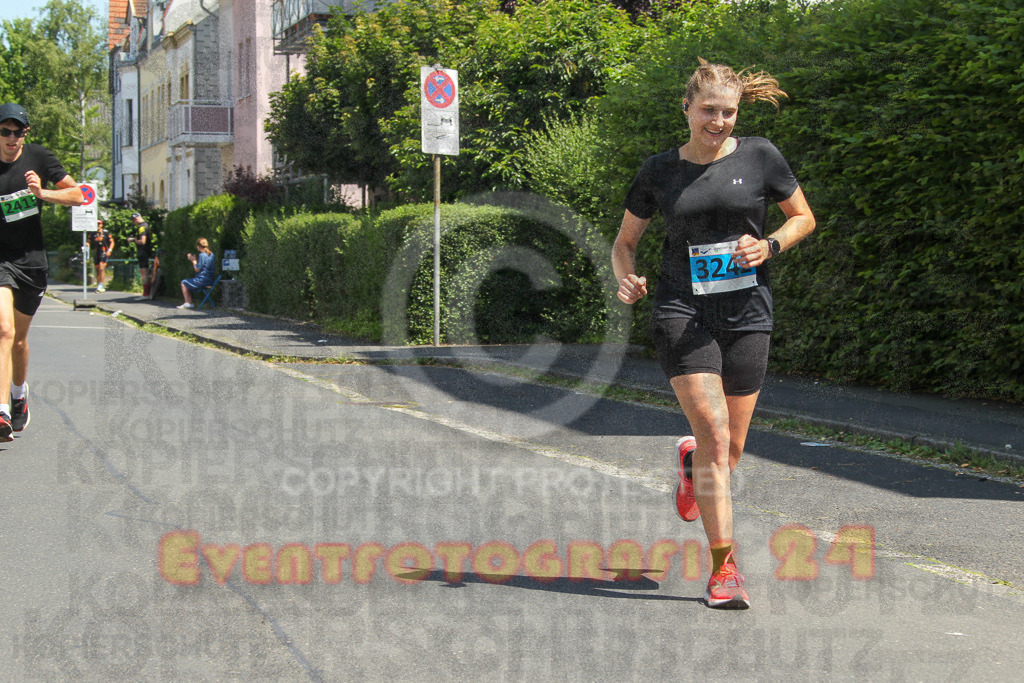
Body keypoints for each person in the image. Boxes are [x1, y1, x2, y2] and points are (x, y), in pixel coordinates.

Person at [612, 60, 816, 609]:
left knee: (728, 450)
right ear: (687, 108)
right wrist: (626, 277)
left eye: (728, 112)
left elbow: (803, 217)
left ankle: (691, 464)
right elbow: (625, 242)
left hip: (748, 311)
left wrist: (770, 245)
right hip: (682, 310)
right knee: (714, 433)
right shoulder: (659, 171)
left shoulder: (761, 156)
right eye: (709, 111)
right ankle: (725, 571)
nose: (719, 121)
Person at [0, 103, 85, 439]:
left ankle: (19, 395)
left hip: (31, 262)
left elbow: (79, 195)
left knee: (19, 341)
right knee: (3, 330)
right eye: (4, 131)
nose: (11, 138)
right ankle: (2, 411)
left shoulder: (38, 158)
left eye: (17, 131)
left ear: (26, 133)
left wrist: (42, 193)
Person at [177, 237, 216, 309]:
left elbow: (197, 269)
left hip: (202, 280)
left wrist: (193, 261)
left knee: (184, 282)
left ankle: (187, 302)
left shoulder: (202, 255)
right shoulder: (211, 254)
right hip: (211, 279)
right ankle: (189, 302)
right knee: (188, 282)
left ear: (198, 246)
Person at [124, 212, 152, 298]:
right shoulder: (146, 225)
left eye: (133, 221)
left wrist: (133, 240)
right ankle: (147, 293)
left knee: (144, 272)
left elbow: (142, 241)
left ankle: (146, 294)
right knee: (145, 272)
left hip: (143, 251)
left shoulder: (142, 227)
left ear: (136, 219)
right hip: (146, 251)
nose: (133, 223)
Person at [92, 219, 115, 292]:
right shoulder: (92, 233)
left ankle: (100, 285)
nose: (98, 226)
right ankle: (98, 284)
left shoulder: (106, 233)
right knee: (97, 269)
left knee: (102, 267)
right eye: (96, 224)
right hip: (96, 253)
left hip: (104, 252)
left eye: (99, 224)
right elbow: (88, 241)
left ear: (101, 225)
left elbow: (112, 242)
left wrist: (110, 250)